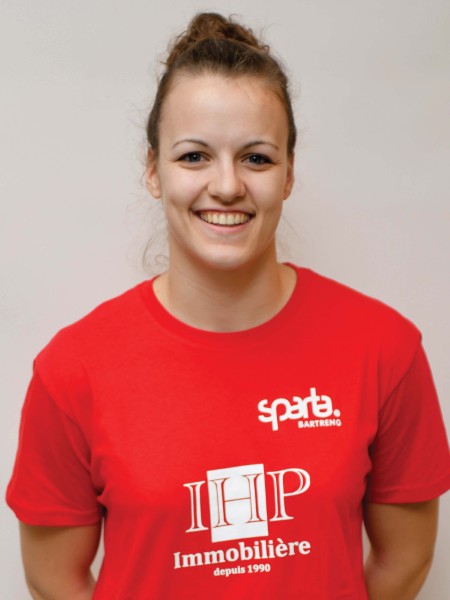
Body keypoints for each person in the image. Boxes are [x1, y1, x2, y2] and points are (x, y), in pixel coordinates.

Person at [6, 12, 450, 600]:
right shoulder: (72, 371)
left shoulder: (384, 349)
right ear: (153, 171)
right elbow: (53, 579)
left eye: (256, 158)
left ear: (288, 173)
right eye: (194, 156)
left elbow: (405, 560)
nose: (226, 185)